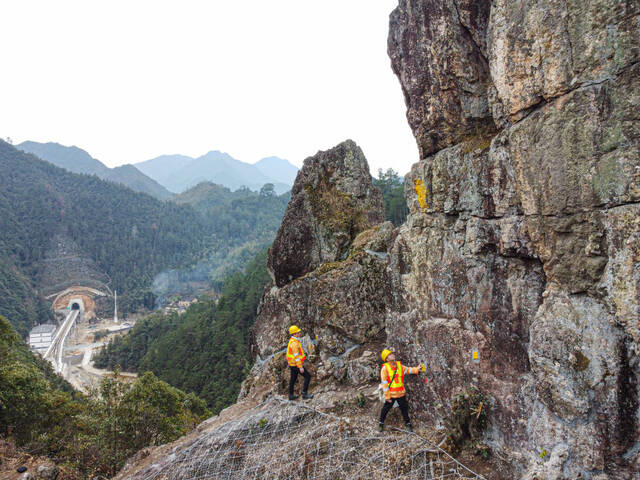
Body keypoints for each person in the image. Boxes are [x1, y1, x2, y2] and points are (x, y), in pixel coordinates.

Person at [378, 348, 424, 432]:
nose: (392, 354)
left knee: (404, 409)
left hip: (401, 393)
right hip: (391, 395)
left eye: (392, 353)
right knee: (385, 409)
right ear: (387, 359)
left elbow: (407, 370)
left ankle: (408, 424)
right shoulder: (385, 369)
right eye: (390, 354)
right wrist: (387, 396)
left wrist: (417, 369)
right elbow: (384, 383)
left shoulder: (399, 366)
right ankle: (381, 423)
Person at [287, 325, 313, 400]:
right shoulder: (294, 344)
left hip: (292, 364)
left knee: (293, 379)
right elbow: (296, 357)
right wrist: (300, 367)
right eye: (298, 332)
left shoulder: (293, 341)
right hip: (296, 365)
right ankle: (304, 394)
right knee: (308, 376)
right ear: (294, 334)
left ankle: (291, 396)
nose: (300, 333)